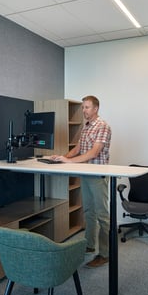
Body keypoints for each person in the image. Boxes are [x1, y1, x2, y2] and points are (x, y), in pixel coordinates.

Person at [52, 95, 111, 268]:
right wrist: (63, 157)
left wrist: (69, 162)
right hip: (85, 173)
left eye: (87, 107)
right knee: (88, 212)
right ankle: (89, 245)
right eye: (83, 107)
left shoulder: (103, 126)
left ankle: (105, 254)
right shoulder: (86, 127)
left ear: (96, 109)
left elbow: (93, 153)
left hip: (97, 175)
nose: (84, 110)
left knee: (102, 215)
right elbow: (79, 148)